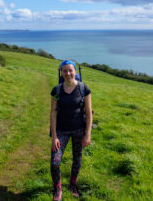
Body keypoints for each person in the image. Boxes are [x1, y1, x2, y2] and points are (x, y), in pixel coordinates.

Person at [50, 60, 92, 201]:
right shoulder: (56, 90)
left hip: (79, 130)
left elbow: (88, 112)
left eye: (70, 70)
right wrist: (54, 136)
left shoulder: (83, 88)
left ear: (75, 71)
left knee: (77, 159)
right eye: (65, 71)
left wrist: (87, 134)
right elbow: (53, 113)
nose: (68, 73)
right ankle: (57, 189)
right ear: (61, 73)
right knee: (55, 163)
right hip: (61, 130)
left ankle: (72, 185)